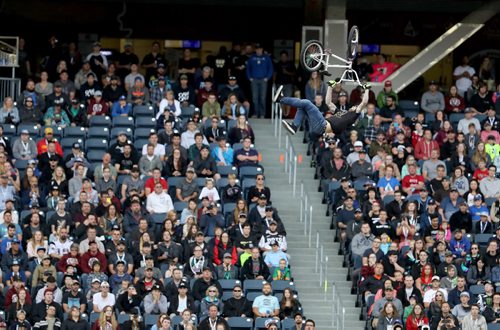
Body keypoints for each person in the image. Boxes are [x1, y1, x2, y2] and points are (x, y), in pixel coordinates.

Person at [279, 81, 370, 137]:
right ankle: (294, 126)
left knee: (307, 102)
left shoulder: (353, 116)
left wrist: (367, 89)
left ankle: (281, 99)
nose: (354, 106)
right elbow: (328, 103)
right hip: (319, 126)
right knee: (302, 106)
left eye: (356, 107)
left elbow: (364, 102)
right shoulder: (342, 112)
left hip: (322, 125)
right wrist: (330, 87)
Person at [246, 44, 273, 118]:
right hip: (254, 80)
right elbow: (248, 68)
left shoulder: (266, 57)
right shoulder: (252, 57)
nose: (258, 50)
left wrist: (267, 78)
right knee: (254, 98)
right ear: (255, 50)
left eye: (260, 49)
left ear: (262, 49)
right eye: (257, 49)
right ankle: (255, 113)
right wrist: (249, 77)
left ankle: (262, 114)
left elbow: (270, 68)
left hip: (263, 80)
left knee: (262, 98)